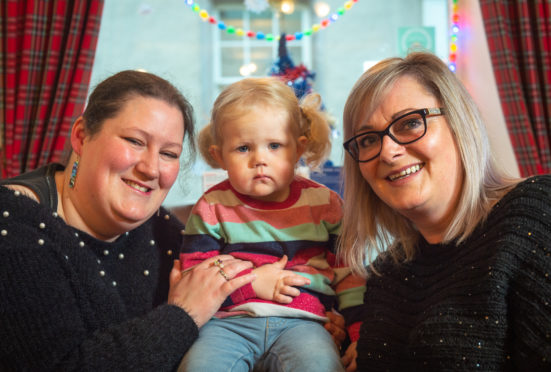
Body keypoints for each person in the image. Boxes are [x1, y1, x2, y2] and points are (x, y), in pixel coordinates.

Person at [0, 70, 259, 371]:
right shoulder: (13, 225)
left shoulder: (163, 230)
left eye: (168, 153)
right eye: (135, 141)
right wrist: (184, 314)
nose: (151, 169)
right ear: (82, 136)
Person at [338, 51, 551, 371]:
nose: (388, 152)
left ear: (458, 123)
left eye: (410, 122)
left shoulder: (535, 211)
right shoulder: (387, 272)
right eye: (369, 140)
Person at [178, 77, 365, 371]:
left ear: (298, 150)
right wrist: (251, 284)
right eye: (243, 148)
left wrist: (357, 335)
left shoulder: (325, 204)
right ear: (219, 156)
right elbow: (195, 274)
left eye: (275, 145)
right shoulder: (212, 206)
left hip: (304, 324)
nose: (259, 160)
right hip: (227, 324)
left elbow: (349, 275)